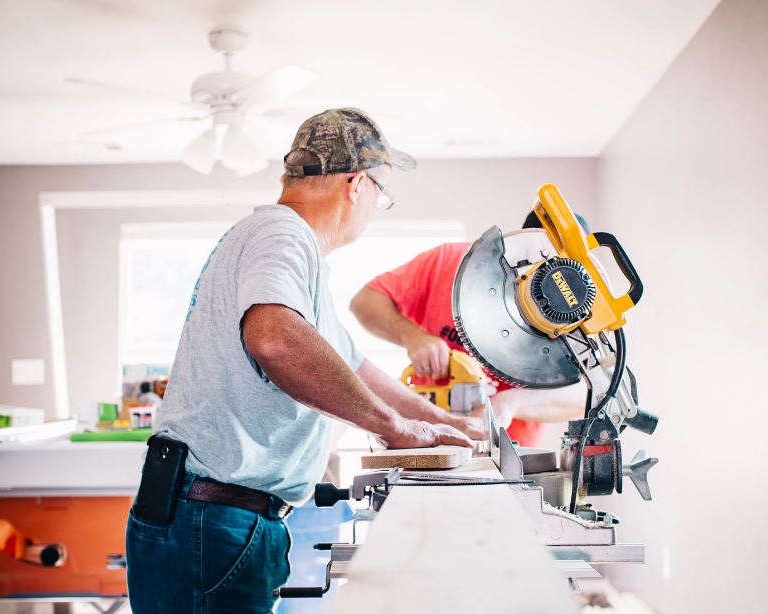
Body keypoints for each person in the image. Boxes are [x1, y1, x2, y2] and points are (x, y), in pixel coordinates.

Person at [125, 108, 481, 614]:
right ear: (357, 184)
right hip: (211, 520)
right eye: (383, 194)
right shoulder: (282, 235)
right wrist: (390, 425)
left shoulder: (290, 251)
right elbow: (274, 339)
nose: (377, 205)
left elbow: (354, 367)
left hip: (215, 517)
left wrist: (439, 421)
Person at [350, 211, 591, 447]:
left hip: (508, 455)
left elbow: (585, 396)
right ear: (521, 242)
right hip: (425, 439)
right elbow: (364, 302)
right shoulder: (448, 262)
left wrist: (509, 403)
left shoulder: (575, 316)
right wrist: (412, 336)